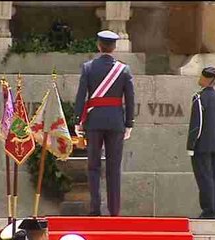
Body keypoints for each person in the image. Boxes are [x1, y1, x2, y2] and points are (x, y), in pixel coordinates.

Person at [74, 30, 135, 216]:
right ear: (114, 47)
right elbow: (130, 98)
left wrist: (78, 120)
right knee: (114, 167)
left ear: (98, 46)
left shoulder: (88, 67)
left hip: (94, 122)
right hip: (116, 122)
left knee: (93, 166)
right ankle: (114, 211)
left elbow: (80, 96)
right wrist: (129, 123)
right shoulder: (124, 70)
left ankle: (94, 210)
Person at [186, 66, 215, 219]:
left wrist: (191, 145)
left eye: (201, 76)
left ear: (207, 79)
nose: (199, 79)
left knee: (204, 178)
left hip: (201, 145)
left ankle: (208, 210)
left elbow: (197, 124)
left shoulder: (199, 98)